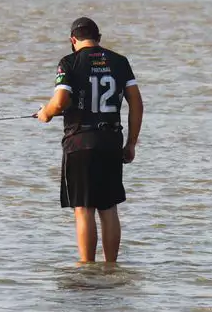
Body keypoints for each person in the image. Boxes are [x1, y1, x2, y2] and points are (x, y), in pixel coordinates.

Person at [36, 17, 143, 263]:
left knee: (84, 209)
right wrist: (131, 143)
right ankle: (111, 266)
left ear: (73, 40)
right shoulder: (119, 61)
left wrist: (46, 112)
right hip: (110, 141)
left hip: (80, 142)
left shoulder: (69, 62)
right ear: (99, 38)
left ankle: (87, 267)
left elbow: (61, 101)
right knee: (108, 209)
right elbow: (136, 103)